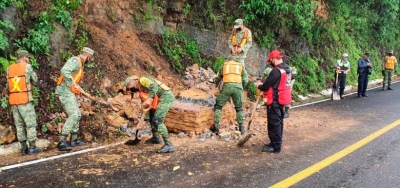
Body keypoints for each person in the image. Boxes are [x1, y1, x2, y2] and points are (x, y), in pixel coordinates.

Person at [55, 47, 95, 151]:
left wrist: (84, 92)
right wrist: (73, 83)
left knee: (77, 115)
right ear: (88, 56)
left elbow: (75, 82)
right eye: (90, 58)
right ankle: (62, 141)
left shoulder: (80, 64)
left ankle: (74, 140)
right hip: (65, 91)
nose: (89, 60)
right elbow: (64, 71)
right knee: (73, 115)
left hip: (70, 92)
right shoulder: (75, 60)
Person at [124, 75, 175, 153]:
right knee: (151, 116)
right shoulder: (141, 91)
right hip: (158, 99)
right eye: (129, 87)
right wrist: (142, 121)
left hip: (166, 96)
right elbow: (145, 107)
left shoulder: (142, 80)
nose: (130, 87)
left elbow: (154, 86)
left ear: (133, 81)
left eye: (129, 85)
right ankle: (156, 138)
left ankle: (169, 145)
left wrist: (150, 98)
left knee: (157, 120)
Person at [255, 50, 291, 153]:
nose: (270, 62)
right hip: (281, 100)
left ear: (274, 59)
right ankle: (275, 142)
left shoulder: (276, 71)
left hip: (274, 101)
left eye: (270, 60)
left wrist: (259, 85)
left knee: (274, 124)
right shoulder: (287, 69)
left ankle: (275, 147)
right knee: (278, 123)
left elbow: (266, 86)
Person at [6, 50, 41, 155]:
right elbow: (35, 79)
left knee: (19, 125)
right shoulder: (27, 67)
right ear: (24, 57)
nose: (28, 60)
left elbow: (8, 86)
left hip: (14, 102)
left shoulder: (9, 69)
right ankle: (32, 147)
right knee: (30, 124)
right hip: (24, 100)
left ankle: (23, 148)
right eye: (28, 58)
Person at [210, 57, 249, 135]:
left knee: (218, 106)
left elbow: (218, 78)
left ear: (228, 60)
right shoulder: (240, 66)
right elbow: (245, 80)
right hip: (238, 87)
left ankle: (216, 127)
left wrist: (216, 86)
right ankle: (241, 128)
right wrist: (241, 87)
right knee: (239, 108)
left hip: (227, 86)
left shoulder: (224, 65)